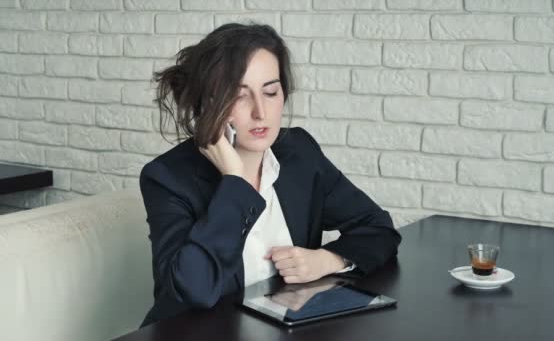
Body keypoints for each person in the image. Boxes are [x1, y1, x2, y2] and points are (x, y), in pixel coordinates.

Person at [139, 23, 401, 326]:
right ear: (208, 102)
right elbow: (194, 290)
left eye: (271, 91)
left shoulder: (299, 154)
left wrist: (328, 260)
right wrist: (234, 183)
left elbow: (378, 227)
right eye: (239, 96)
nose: (260, 112)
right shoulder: (168, 178)